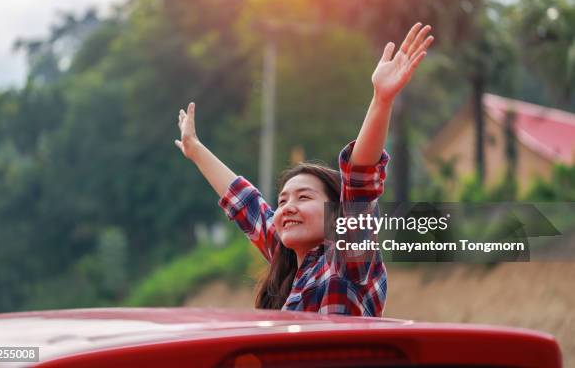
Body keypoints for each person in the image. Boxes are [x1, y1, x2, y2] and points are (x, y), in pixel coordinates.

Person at [175, 22, 433, 316]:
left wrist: (381, 100)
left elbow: (360, 182)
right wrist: (195, 150)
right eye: (283, 200)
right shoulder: (286, 263)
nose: (287, 208)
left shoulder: (347, 262)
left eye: (304, 197)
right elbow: (247, 205)